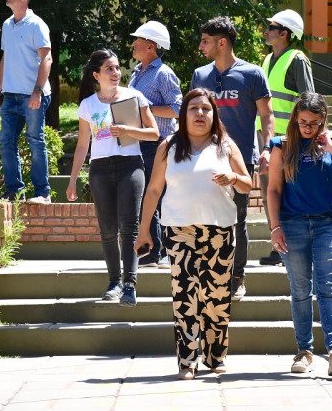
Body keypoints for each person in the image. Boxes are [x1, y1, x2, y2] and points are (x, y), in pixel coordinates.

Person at [135, 88, 252, 380]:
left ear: (214, 114)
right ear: (183, 113)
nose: (200, 114)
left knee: (216, 298)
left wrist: (234, 177)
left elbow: (247, 184)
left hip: (221, 230)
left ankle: (215, 357)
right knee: (185, 296)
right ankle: (187, 362)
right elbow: (153, 190)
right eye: (193, 108)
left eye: (206, 109)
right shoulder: (168, 146)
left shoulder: (225, 145)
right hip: (179, 229)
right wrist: (143, 232)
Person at [267, 92, 332, 376]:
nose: (308, 128)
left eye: (314, 122)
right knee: (300, 290)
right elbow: (273, 189)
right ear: (295, 119)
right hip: (292, 224)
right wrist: (275, 227)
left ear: (323, 119)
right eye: (302, 122)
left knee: (328, 288)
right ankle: (304, 351)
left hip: (329, 224)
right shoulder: (282, 145)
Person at [66, 49, 160, 307]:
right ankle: (114, 281)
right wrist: (73, 179)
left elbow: (153, 133)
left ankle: (130, 284)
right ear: (97, 75)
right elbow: (83, 145)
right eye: (109, 68)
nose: (116, 72)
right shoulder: (88, 105)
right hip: (100, 168)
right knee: (107, 229)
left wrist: (128, 130)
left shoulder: (134, 96)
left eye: (118, 68)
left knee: (130, 226)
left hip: (131, 165)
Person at [191, 16, 274, 301]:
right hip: (203, 158)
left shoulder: (251, 74)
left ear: (222, 42)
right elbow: (190, 115)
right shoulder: (200, 75)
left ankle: (237, 278)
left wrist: (267, 148)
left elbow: (267, 115)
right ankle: (208, 272)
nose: (201, 46)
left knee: (237, 219)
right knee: (202, 217)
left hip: (239, 160)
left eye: (206, 41)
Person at [258, 9, 315, 266]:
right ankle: (278, 249)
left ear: (284, 33)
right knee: (269, 190)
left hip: (288, 139)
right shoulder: (267, 60)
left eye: (272, 27)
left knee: (288, 193)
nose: (266, 30)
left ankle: (292, 250)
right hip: (266, 138)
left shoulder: (297, 59)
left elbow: (309, 100)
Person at [128, 21, 183, 269]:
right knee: (144, 198)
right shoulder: (135, 73)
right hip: (139, 144)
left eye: (137, 40)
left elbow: (178, 109)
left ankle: (156, 253)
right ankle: (151, 252)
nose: (133, 44)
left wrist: (145, 110)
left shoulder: (164, 74)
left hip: (158, 144)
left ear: (151, 46)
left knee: (156, 197)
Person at [0, 0, 53, 203]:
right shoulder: (7, 25)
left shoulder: (37, 24)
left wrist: (37, 90)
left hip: (33, 94)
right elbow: (5, 58)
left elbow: (47, 58)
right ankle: (15, 191)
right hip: (10, 95)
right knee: (6, 141)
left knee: (35, 140)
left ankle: (43, 193)